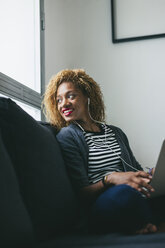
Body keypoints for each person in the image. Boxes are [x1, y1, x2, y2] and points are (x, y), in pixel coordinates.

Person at [43, 69, 165, 234]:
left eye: (71, 96)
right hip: (103, 201)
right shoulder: (68, 136)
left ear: (87, 97)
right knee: (124, 194)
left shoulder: (116, 132)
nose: (63, 104)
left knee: (145, 192)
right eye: (58, 100)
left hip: (134, 196)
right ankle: (152, 223)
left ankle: (145, 225)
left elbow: (134, 169)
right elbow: (81, 193)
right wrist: (110, 179)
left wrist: (152, 175)